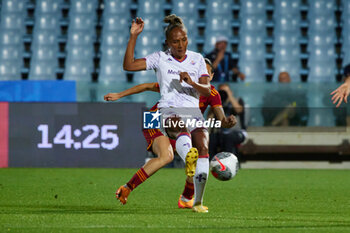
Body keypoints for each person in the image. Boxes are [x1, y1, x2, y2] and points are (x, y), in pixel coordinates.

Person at [105, 58, 236, 212]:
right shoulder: (179, 84)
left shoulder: (212, 93)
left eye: (205, 74)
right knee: (168, 156)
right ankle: (128, 187)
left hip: (181, 127)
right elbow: (147, 86)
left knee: (192, 158)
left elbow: (221, 118)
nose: (201, 78)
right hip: (156, 118)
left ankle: (186, 199)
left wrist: (227, 121)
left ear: (211, 77)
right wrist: (119, 95)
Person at [115, 15, 212, 213]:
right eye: (175, 41)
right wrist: (133, 36)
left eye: (183, 39)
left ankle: (194, 200)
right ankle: (188, 161)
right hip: (161, 113)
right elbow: (130, 67)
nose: (180, 44)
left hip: (192, 113)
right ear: (168, 43)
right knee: (170, 147)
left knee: (193, 150)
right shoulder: (160, 58)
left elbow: (207, 91)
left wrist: (192, 83)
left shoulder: (197, 59)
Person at [208, 83, 247, 160]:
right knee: (211, 138)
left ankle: (229, 162)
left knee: (228, 137)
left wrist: (229, 95)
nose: (223, 93)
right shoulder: (217, 104)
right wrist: (215, 104)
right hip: (220, 133)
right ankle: (210, 163)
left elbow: (239, 110)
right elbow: (209, 119)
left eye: (225, 91)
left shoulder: (238, 100)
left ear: (231, 92)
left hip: (237, 132)